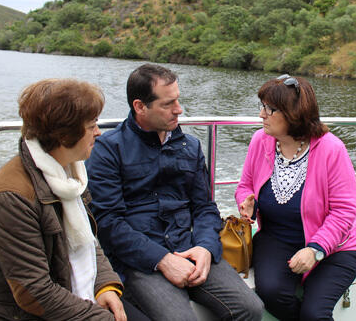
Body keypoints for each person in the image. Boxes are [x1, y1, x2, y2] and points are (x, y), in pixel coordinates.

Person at [86, 63, 263, 321]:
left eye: (178, 100)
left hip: (189, 248)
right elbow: (108, 223)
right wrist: (162, 260)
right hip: (141, 260)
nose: (179, 109)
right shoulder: (108, 150)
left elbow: (204, 208)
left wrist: (205, 247)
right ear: (140, 107)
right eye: (168, 104)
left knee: (251, 308)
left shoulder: (189, 146)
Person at [0, 78, 143, 320]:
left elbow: (87, 241)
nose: (98, 132)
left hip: (68, 295)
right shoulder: (12, 198)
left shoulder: (68, 175)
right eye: (91, 126)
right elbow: (34, 292)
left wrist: (105, 285)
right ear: (64, 135)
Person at [236, 74, 356, 320]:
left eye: (269, 109)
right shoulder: (259, 141)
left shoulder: (331, 149)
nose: (261, 115)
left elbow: (344, 211)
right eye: (262, 106)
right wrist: (247, 201)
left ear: (293, 113)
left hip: (336, 247)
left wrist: (316, 249)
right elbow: (244, 186)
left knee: (314, 313)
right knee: (272, 293)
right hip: (278, 238)